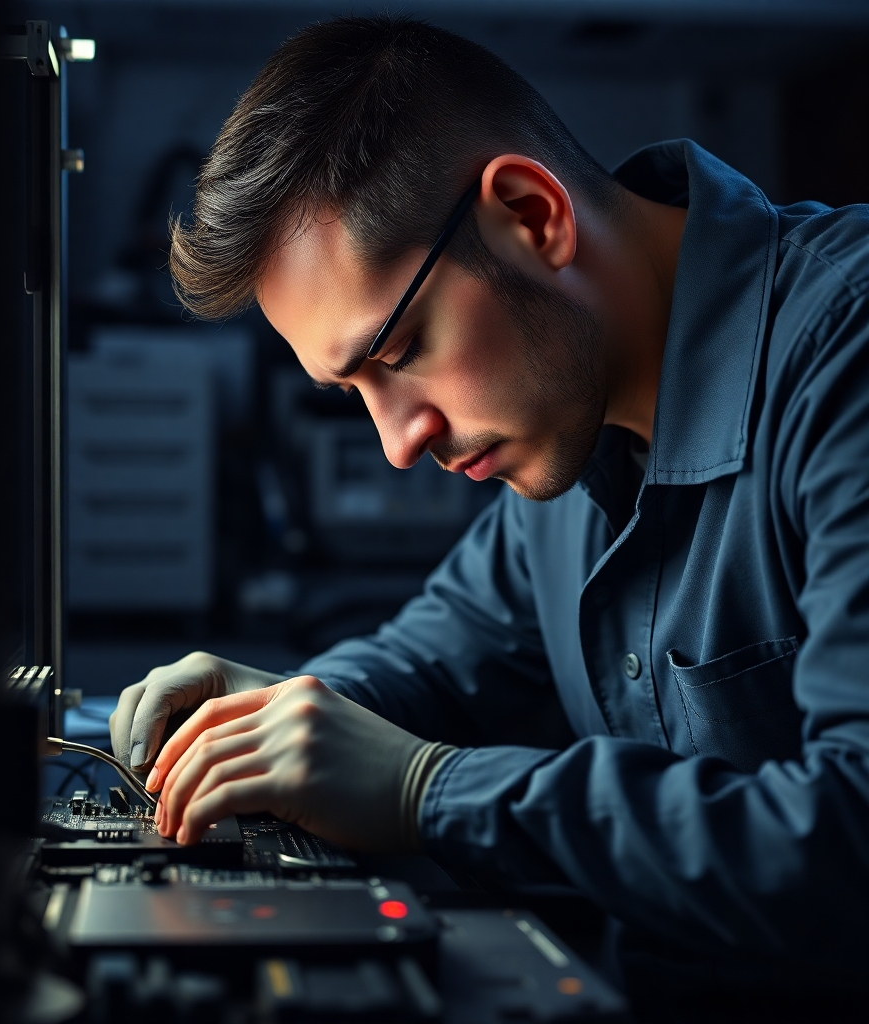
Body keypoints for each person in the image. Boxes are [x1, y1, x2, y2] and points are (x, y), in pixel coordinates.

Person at [109, 16, 869, 976]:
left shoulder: (847, 362)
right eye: (356, 395)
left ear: (530, 214)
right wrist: (289, 717)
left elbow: (850, 834)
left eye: (399, 354)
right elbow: (440, 657)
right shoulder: (571, 440)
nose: (397, 444)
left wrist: (429, 789)